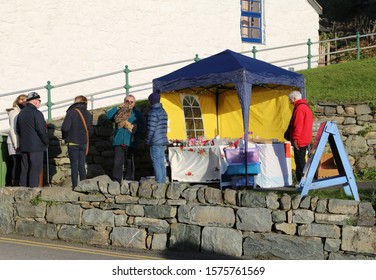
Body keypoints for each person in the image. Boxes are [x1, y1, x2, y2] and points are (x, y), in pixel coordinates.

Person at [106, 94, 144, 183]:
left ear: (134, 103)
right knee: (117, 162)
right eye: (127, 101)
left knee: (130, 162)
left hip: (131, 141)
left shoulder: (137, 113)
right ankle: (116, 180)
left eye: (131, 102)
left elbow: (142, 125)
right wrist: (117, 108)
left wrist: (133, 127)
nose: (129, 103)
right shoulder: (119, 110)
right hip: (119, 140)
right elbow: (108, 116)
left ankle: (129, 180)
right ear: (124, 102)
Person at [17, 92, 49, 188]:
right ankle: (32, 192)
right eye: (39, 101)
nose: (40, 103)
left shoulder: (21, 113)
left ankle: (22, 190)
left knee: (25, 169)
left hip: (24, 145)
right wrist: (46, 141)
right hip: (36, 146)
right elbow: (41, 130)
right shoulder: (37, 113)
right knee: (35, 169)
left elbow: (18, 129)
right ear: (35, 101)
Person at [61, 95, 93, 188]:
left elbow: (65, 128)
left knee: (74, 164)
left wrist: (65, 138)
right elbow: (90, 129)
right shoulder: (88, 113)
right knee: (82, 164)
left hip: (73, 142)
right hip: (83, 142)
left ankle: (75, 186)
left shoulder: (71, 112)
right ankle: (83, 186)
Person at [286, 90, 313, 183]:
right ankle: (304, 181)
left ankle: (302, 182)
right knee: (302, 161)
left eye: (290, 100)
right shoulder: (306, 107)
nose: (290, 102)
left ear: (294, 98)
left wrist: (295, 139)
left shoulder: (299, 108)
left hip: (300, 140)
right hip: (306, 138)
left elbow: (298, 125)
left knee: (300, 162)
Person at [145, 91, 169, 184]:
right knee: (161, 162)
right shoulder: (163, 111)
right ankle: (163, 181)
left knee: (156, 161)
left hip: (155, 140)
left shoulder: (152, 113)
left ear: (151, 101)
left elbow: (151, 128)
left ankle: (159, 182)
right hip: (163, 139)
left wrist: (147, 140)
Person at [6, 94, 27, 186]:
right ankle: (15, 182)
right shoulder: (14, 112)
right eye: (23, 100)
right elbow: (13, 129)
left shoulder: (21, 111)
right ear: (19, 101)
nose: (25, 102)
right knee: (16, 162)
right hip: (14, 141)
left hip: (18, 141)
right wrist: (16, 144)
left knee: (18, 162)